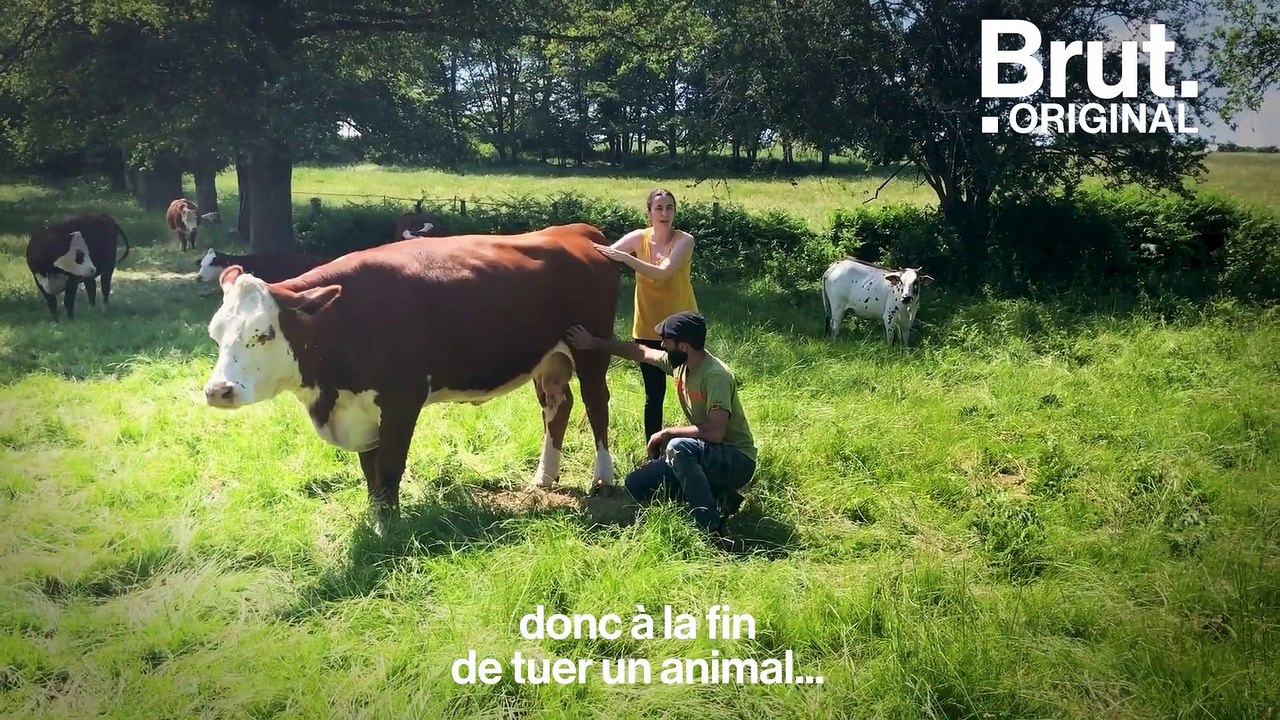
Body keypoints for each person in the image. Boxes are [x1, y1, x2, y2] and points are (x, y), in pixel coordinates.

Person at [565, 311, 757, 544]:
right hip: (704, 455)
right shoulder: (681, 363)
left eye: (667, 340)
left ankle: (712, 529)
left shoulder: (715, 375)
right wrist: (593, 343)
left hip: (736, 460)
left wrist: (667, 432)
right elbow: (641, 352)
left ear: (683, 346)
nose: (662, 344)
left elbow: (715, 433)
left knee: (678, 446)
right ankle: (719, 495)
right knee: (637, 484)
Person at [592, 189, 698, 447]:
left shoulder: (685, 240)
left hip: (682, 328)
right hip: (647, 328)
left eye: (670, 208)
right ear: (649, 212)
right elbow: (603, 256)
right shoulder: (639, 238)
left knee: (695, 391)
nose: (665, 213)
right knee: (654, 395)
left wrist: (626, 259)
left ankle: (705, 444)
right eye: (659, 208)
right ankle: (653, 453)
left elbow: (662, 272)